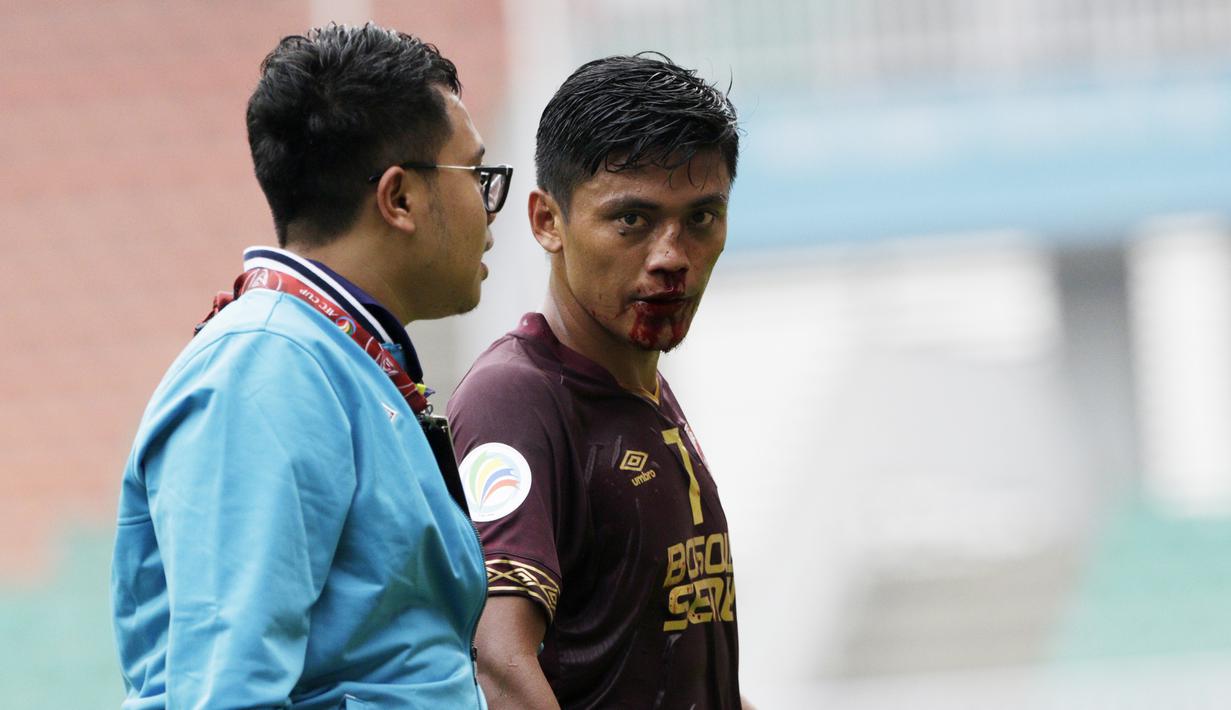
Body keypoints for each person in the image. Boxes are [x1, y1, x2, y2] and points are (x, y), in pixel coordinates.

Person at [110, 23, 511, 707]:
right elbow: (227, 691)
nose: (487, 205)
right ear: (399, 198)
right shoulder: (266, 372)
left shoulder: (339, 360)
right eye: (475, 174)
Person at [449, 54, 751, 709]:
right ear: (546, 221)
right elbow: (499, 664)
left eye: (700, 218)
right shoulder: (517, 399)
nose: (672, 256)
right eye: (631, 220)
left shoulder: (641, 390)